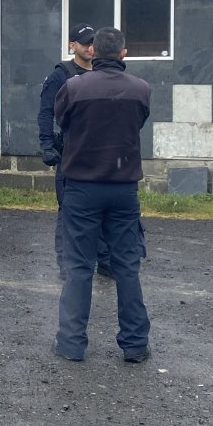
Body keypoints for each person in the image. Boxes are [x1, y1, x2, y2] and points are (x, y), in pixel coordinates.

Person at [53, 27, 151, 363]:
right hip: (123, 188)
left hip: (82, 187)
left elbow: (62, 122)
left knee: (79, 266)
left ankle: (71, 343)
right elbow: (138, 123)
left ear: (93, 51)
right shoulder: (141, 89)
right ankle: (135, 344)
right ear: (124, 53)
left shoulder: (73, 87)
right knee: (127, 267)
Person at [37, 23, 112, 279]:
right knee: (69, 209)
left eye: (94, 42)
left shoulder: (105, 72)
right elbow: (45, 112)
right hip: (72, 152)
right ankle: (68, 264)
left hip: (101, 152)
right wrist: (47, 144)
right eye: (85, 43)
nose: (90, 47)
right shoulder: (61, 75)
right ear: (72, 45)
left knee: (103, 207)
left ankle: (105, 260)